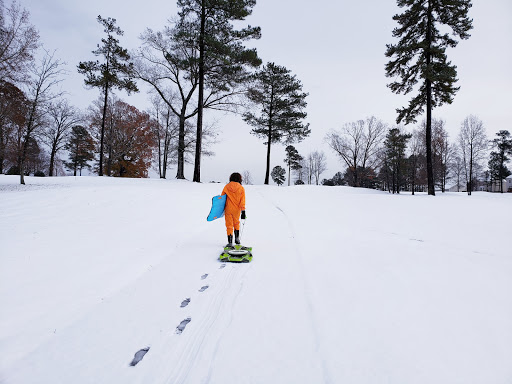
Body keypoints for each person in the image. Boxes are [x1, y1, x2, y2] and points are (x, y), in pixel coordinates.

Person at [221, 172, 246, 247]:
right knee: (236, 223)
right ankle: (237, 238)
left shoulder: (226, 187)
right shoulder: (241, 188)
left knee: (229, 225)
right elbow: (242, 200)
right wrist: (243, 211)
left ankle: (230, 241)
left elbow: (222, 198)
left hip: (228, 209)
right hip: (237, 210)